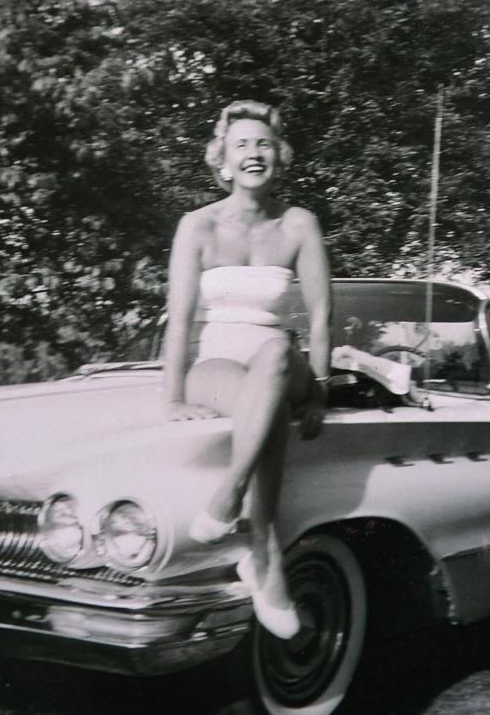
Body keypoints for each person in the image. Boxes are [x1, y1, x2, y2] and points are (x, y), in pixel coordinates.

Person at [162, 100, 331, 640]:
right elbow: (180, 319)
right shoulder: (197, 227)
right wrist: (172, 398)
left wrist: (322, 392)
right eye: (242, 145)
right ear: (223, 160)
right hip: (217, 365)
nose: (253, 153)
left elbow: (323, 318)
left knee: (278, 352)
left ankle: (230, 496)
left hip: (284, 360)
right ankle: (263, 554)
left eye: (263, 144)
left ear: (278, 157)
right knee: (269, 400)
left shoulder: (299, 224)